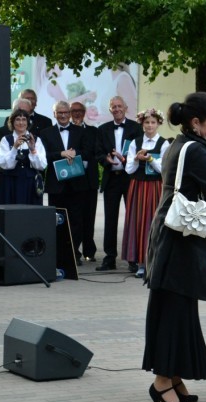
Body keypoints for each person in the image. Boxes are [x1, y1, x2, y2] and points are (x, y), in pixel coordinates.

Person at [143, 92, 206, 402]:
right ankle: (161, 382)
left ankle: (174, 374)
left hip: (170, 233)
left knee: (179, 309)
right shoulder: (195, 150)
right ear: (195, 122)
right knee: (174, 310)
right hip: (180, 239)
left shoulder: (177, 144)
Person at [39, 101, 91, 265]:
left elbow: (88, 152)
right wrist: (61, 154)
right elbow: (43, 156)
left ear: (70, 113)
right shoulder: (46, 133)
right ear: (54, 114)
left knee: (76, 221)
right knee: (56, 220)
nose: (63, 115)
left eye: (66, 112)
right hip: (56, 185)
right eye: (59, 113)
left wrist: (75, 153)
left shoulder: (81, 131)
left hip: (77, 184)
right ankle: (57, 254)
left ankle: (74, 254)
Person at [95, 96, 143, 271]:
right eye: (113, 107)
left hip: (130, 178)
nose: (116, 109)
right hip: (112, 178)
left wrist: (125, 159)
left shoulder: (136, 128)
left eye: (119, 106)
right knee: (110, 219)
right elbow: (98, 152)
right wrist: (106, 160)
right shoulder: (103, 129)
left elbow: (139, 150)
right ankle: (109, 258)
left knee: (132, 218)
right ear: (110, 110)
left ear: (125, 108)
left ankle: (133, 258)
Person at [123, 108, 170, 278]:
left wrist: (150, 159)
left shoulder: (164, 143)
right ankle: (141, 263)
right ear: (142, 124)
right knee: (138, 222)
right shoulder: (135, 143)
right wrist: (136, 159)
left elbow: (164, 169)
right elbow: (129, 169)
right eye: (147, 122)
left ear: (158, 124)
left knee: (154, 222)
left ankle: (154, 262)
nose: (150, 126)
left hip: (155, 187)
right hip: (138, 186)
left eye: (153, 122)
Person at [0, 109, 47, 205]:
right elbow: (4, 164)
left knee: (29, 211)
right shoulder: (6, 139)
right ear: (12, 122)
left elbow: (42, 165)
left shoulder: (36, 140)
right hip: (10, 183)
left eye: (24, 119)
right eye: (18, 119)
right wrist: (14, 148)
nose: (21, 123)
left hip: (30, 183)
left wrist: (33, 150)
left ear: (28, 122)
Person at [70, 102, 99, 262]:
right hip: (72, 180)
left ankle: (89, 250)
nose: (77, 113)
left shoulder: (93, 131)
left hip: (89, 180)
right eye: (73, 111)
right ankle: (74, 251)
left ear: (84, 112)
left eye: (80, 110)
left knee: (89, 216)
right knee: (75, 218)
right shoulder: (67, 131)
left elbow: (94, 152)